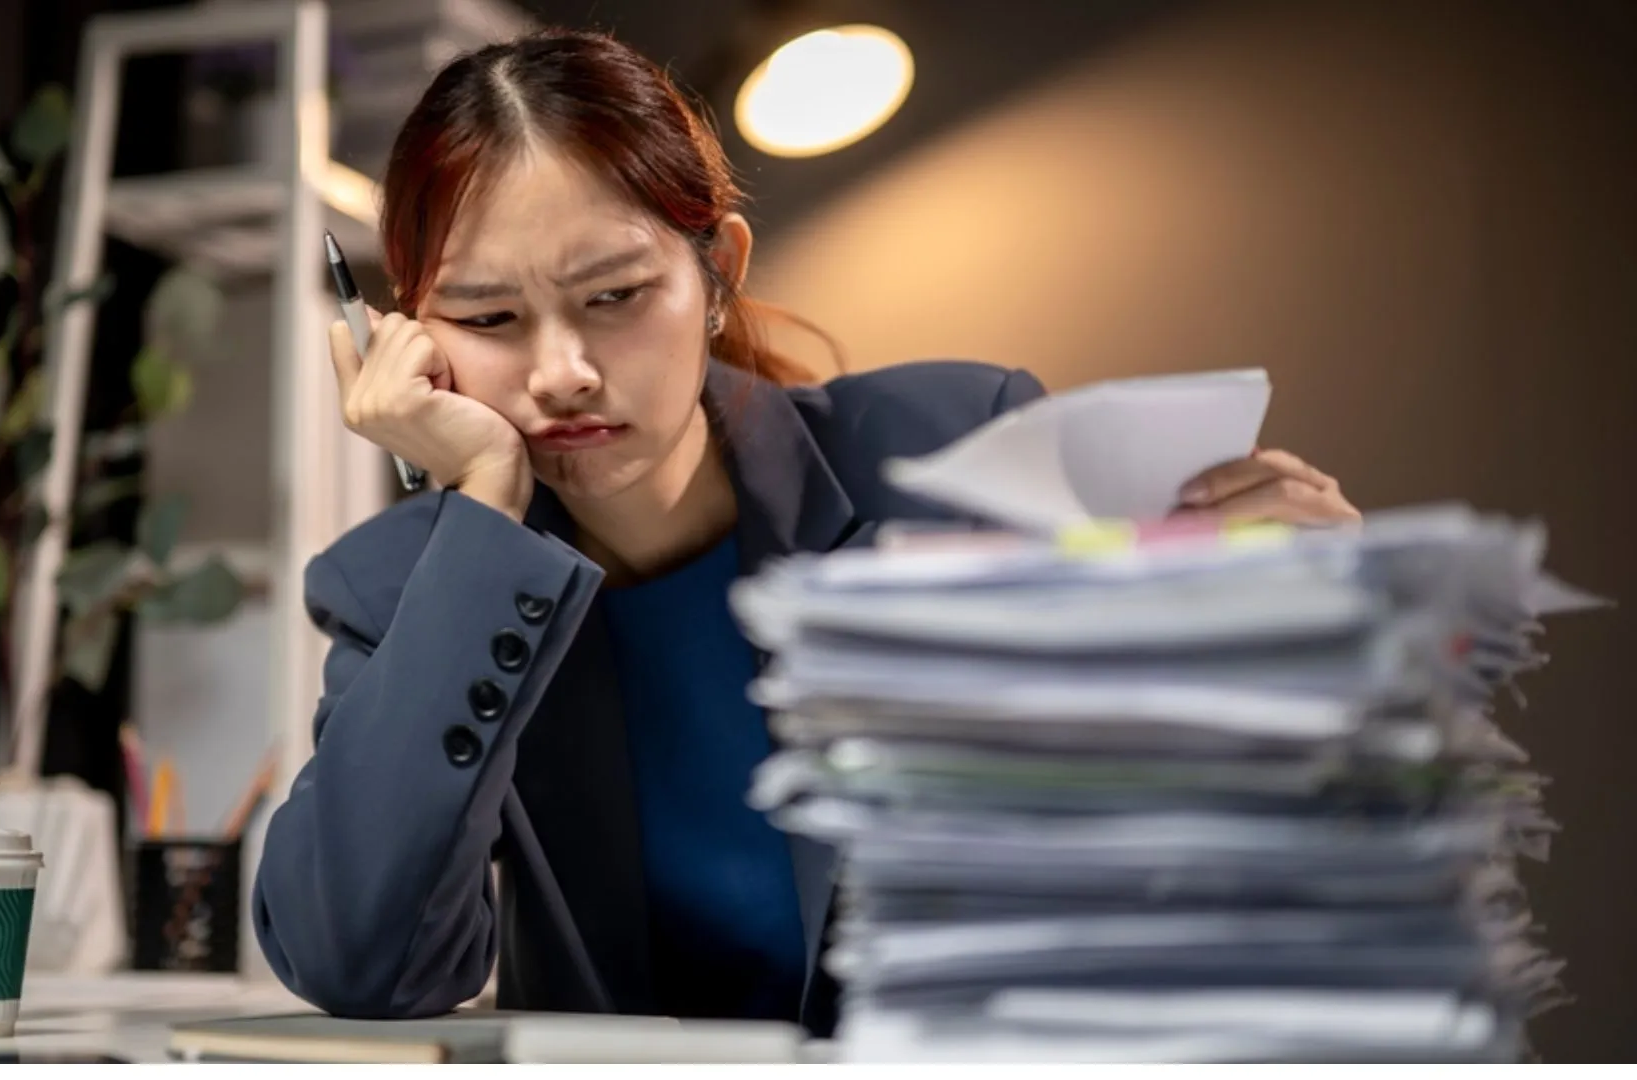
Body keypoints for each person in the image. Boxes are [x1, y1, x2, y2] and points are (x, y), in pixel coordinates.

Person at [249, 28, 1361, 1035]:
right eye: (488, 319)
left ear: (717, 272)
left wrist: (1319, 636)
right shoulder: (415, 590)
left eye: (616, 295)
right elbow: (361, 965)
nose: (560, 373)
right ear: (408, 336)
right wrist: (483, 509)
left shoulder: (962, 453)